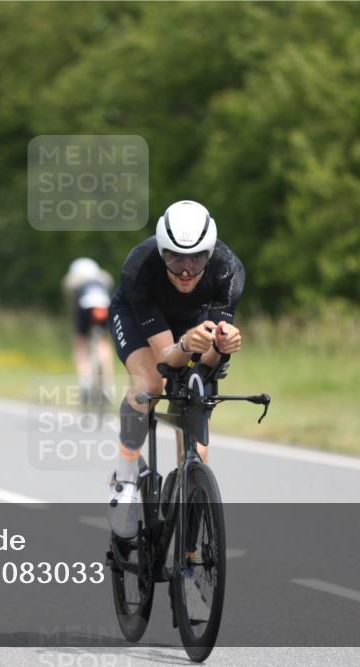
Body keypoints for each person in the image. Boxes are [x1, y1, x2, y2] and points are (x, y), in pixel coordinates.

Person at [106, 200, 245, 537]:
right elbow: (166, 360)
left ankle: (191, 532)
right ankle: (124, 476)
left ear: (210, 254)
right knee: (149, 382)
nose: (186, 270)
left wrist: (221, 349)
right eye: (175, 257)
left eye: (197, 258)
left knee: (195, 401)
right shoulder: (139, 267)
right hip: (143, 321)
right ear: (161, 250)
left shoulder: (228, 270)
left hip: (193, 321)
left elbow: (206, 366)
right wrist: (186, 345)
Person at [61, 257, 115, 404]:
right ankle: (107, 386)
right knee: (104, 343)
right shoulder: (102, 281)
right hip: (103, 308)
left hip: (85, 309)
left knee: (81, 344)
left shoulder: (76, 284)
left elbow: (74, 309)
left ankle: (85, 379)